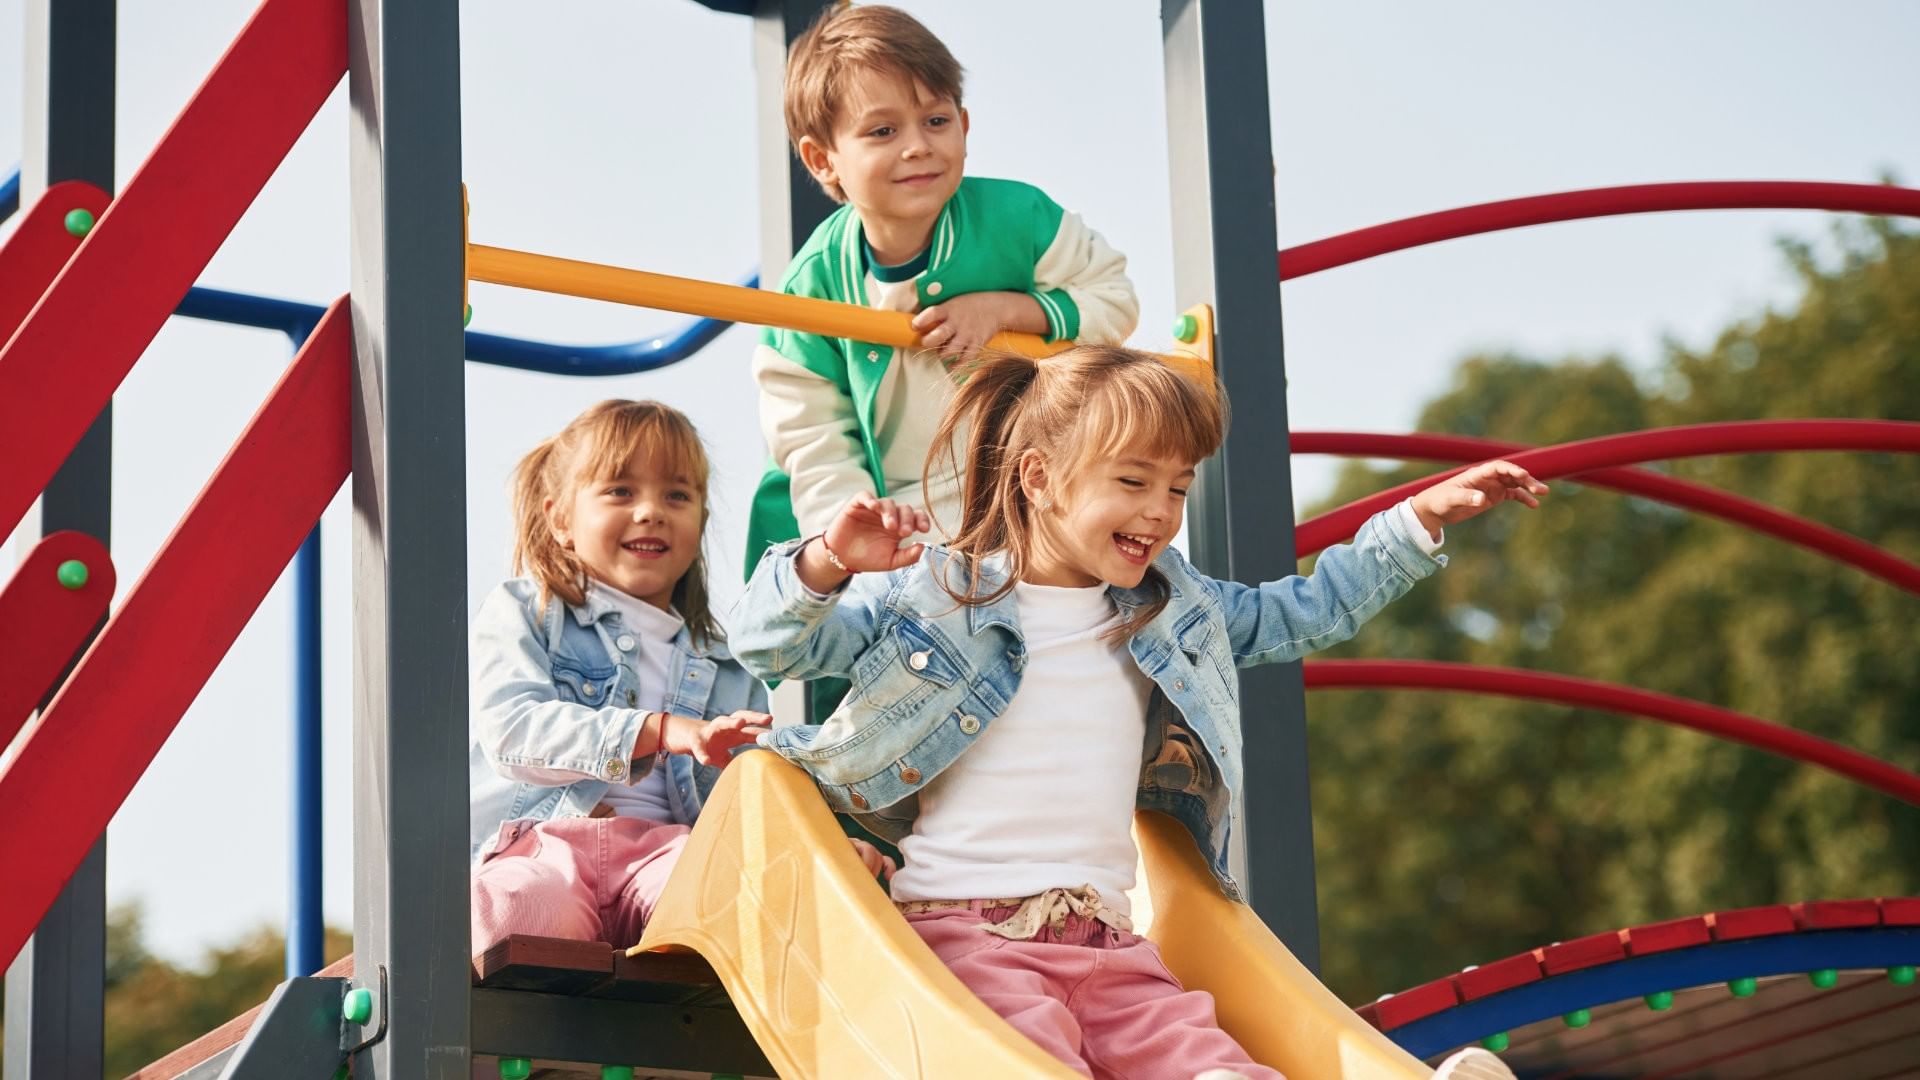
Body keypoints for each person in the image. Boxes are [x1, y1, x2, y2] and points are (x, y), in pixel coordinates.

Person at [729, 347, 1541, 1080]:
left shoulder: (1169, 608)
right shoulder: (941, 595)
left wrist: (1415, 523)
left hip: (1109, 940)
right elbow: (769, 646)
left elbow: (1301, 613)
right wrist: (827, 560)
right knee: (1026, 1065)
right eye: (1133, 481)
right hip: (967, 937)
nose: (1160, 510)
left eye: (1179, 487)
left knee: (1217, 1069)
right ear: (1040, 477)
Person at [467, 399, 897, 956]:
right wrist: (661, 730)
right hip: (547, 843)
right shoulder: (530, 610)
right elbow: (513, 731)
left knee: (747, 901)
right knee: (524, 914)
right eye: (620, 491)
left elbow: (750, 793)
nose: (652, 511)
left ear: (700, 522)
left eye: (677, 495)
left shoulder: (726, 664)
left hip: (667, 854)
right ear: (560, 520)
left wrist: (824, 851)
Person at [747, 3, 1140, 576]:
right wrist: (857, 526)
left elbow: (1115, 298)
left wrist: (1010, 309)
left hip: (1024, 486)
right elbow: (812, 432)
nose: (917, 146)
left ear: (965, 124)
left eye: (936, 120)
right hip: (901, 511)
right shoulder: (814, 286)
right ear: (823, 159)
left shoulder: (1019, 218)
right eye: (882, 131)